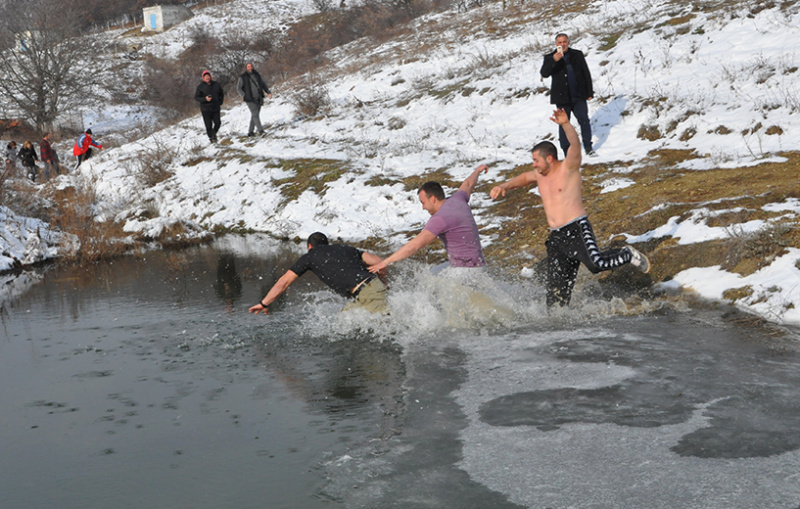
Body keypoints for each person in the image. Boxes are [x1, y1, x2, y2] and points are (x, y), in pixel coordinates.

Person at [490, 109, 650, 308]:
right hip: (557, 238)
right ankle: (563, 333)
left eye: (536, 160)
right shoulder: (539, 175)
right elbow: (523, 178)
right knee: (556, 300)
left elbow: (575, 145)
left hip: (577, 228)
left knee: (596, 264)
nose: (534, 165)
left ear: (549, 158)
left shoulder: (569, 167)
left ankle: (626, 254)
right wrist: (503, 186)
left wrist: (565, 124)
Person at [368, 164, 488, 274]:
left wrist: (386, 262)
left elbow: (415, 245)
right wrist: (477, 171)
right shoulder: (458, 199)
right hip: (479, 266)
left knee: (432, 287)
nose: (423, 207)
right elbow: (468, 184)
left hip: (464, 272)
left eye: (423, 202)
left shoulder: (440, 218)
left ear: (433, 199)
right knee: (432, 275)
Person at [249, 232, 389, 316]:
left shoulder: (309, 257)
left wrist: (264, 303)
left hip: (367, 291)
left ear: (309, 246)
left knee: (386, 326)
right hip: (367, 290)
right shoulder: (345, 248)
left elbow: (283, 282)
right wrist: (383, 282)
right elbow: (377, 261)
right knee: (343, 327)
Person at [540, 33, 596, 157]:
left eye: (564, 42)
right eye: (559, 42)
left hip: (578, 95)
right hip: (561, 97)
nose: (562, 45)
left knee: (584, 120)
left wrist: (589, 92)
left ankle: (588, 147)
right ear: (556, 44)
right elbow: (544, 73)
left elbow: (585, 73)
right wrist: (554, 60)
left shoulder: (577, 55)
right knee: (564, 124)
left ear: (568, 42)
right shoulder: (550, 57)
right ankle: (566, 151)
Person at [236, 62, 272, 137]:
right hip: (250, 99)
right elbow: (238, 88)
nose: (250, 67)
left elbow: (263, 84)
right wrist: (244, 95)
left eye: (251, 66)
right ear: (246, 67)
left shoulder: (257, 75)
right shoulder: (243, 77)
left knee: (254, 114)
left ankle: (250, 132)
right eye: (248, 66)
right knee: (255, 114)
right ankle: (261, 131)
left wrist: (268, 92)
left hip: (259, 97)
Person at [194, 70, 224, 143]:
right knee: (208, 125)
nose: (207, 78)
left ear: (210, 77)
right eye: (205, 77)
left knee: (218, 123)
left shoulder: (216, 84)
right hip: (205, 109)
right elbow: (196, 97)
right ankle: (212, 138)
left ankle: (213, 134)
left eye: (208, 76)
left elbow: (221, 94)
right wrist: (205, 99)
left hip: (215, 107)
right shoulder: (200, 87)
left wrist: (220, 102)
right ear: (203, 78)